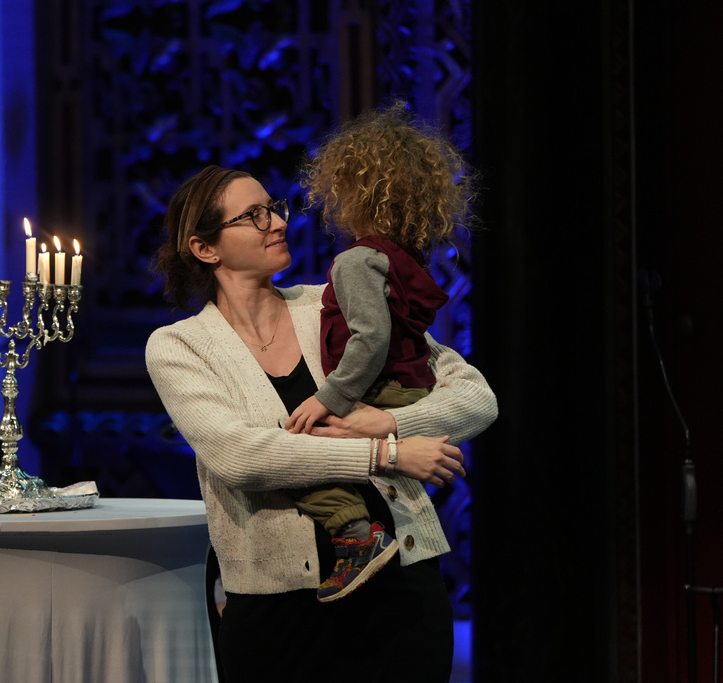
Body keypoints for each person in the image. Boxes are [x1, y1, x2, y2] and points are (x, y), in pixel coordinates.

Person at [145, 162, 496, 682]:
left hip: (401, 588)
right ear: (205, 248)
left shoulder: (329, 301)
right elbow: (244, 456)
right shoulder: (179, 345)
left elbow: (475, 395)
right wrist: (389, 456)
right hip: (280, 611)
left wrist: (393, 425)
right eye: (254, 215)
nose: (277, 223)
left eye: (275, 208)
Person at [282, 104, 475, 602]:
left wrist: (330, 399)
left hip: (381, 388)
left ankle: (356, 536)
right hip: (410, 386)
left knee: (300, 456)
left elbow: (370, 339)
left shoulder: (356, 260)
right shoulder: (404, 261)